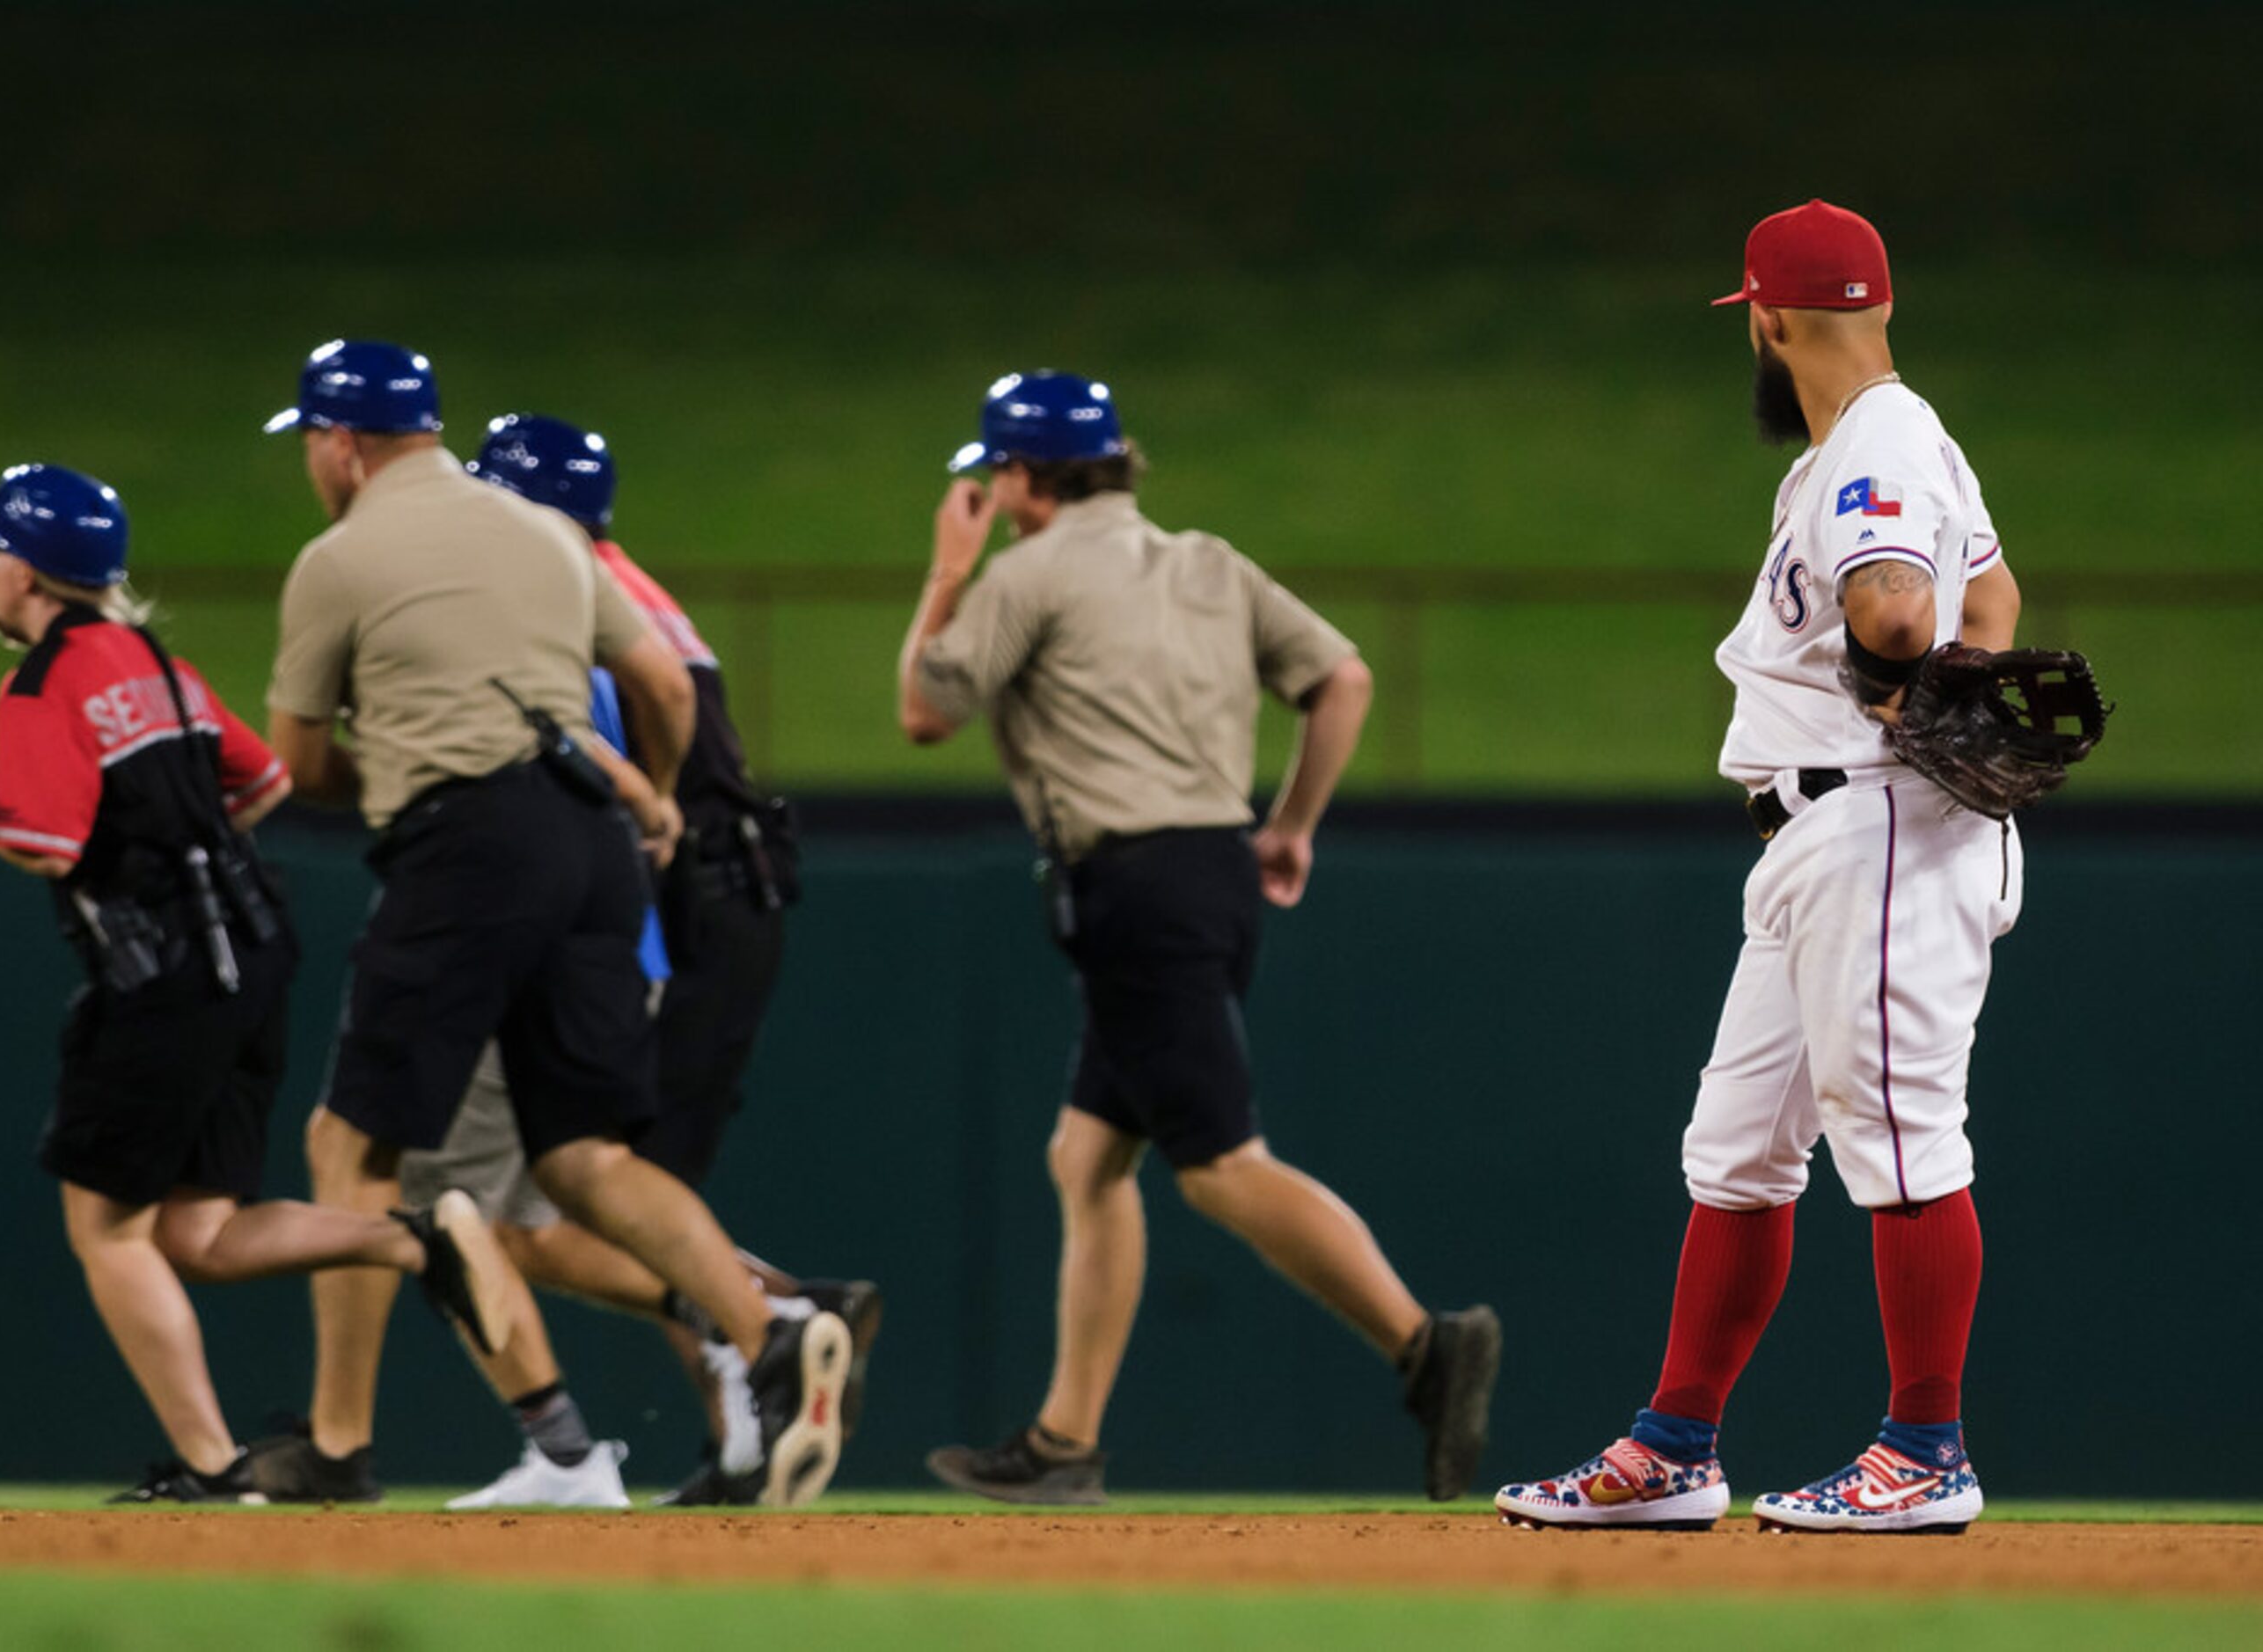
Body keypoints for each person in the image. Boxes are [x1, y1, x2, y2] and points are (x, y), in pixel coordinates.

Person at [1494, 201, 2024, 1536]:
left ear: (1772, 320)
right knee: (1737, 1153)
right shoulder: (1878, 448)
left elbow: (1899, 604)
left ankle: (1927, 1448)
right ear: (1881, 306)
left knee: (1902, 1140)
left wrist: (1907, 661)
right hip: (1827, 834)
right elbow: (1992, 594)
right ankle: (1676, 1445)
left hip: (1882, 825)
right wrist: (1957, 667)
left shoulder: (1878, 447)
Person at [251, 340, 851, 1509]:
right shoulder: (548, 536)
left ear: (342, 442)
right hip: (593, 845)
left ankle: (337, 1443)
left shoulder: (341, 555)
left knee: (352, 1144)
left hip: (464, 841)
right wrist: (657, 800)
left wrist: (392, 768)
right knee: (583, 1156)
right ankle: (770, 1327)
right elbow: (665, 692)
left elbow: (295, 760)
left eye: (312, 444)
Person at [897, 371, 1502, 1505]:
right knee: (1086, 1160)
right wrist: (1290, 829)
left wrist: (946, 572)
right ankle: (1062, 1446)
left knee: (1222, 1168)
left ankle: (1425, 1343)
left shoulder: (1024, 573)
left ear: (1019, 478)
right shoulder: (1207, 561)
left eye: (996, 474)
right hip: (1211, 869)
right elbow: (1343, 678)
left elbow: (927, 712)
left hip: (1131, 887)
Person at [0, 462, 519, 1504]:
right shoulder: (158, 664)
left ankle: (214, 1470)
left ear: (27, 573)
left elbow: (48, 838)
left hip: (157, 972)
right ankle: (417, 1239)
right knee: (194, 1234)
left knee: (107, 1231)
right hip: (252, 951)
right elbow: (260, 781)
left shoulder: (39, 685)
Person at [399, 413, 881, 1511]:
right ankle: (753, 1415)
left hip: (667, 910)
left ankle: (772, 1320)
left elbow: (624, 724)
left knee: (551, 1208)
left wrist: (643, 807)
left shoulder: (562, 589)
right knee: (590, 1202)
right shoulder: (617, 578)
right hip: (700, 903)